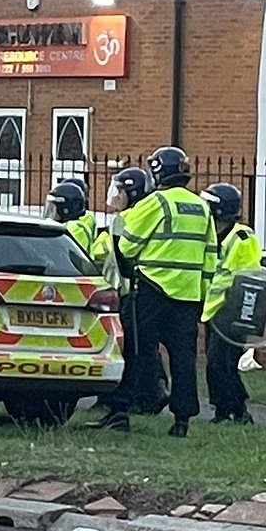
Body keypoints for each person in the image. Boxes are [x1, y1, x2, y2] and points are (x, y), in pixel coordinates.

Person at [96, 147, 217, 438]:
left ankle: (119, 411)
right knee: (184, 359)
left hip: (151, 290)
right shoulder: (202, 207)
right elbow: (211, 256)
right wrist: (201, 295)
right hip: (188, 297)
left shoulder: (156, 203)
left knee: (136, 351)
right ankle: (182, 420)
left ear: (158, 172)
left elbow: (126, 246)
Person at [93, 167, 169, 418]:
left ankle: (144, 394)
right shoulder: (134, 214)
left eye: (121, 191)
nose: (116, 196)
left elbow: (115, 250)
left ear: (133, 193)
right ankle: (151, 390)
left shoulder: (130, 217)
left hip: (129, 290)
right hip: (135, 289)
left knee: (134, 348)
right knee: (143, 345)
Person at [201, 182, 262, 425]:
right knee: (217, 364)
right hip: (214, 310)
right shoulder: (212, 236)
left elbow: (249, 279)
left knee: (221, 363)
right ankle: (228, 410)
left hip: (233, 311)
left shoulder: (242, 238)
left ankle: (234, 409)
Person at [44, 182, 99, 258]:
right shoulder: (70, 225)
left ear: (66, 208)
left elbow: (59, 254)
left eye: (53, 208)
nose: (51, 213)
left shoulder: (74, 228)